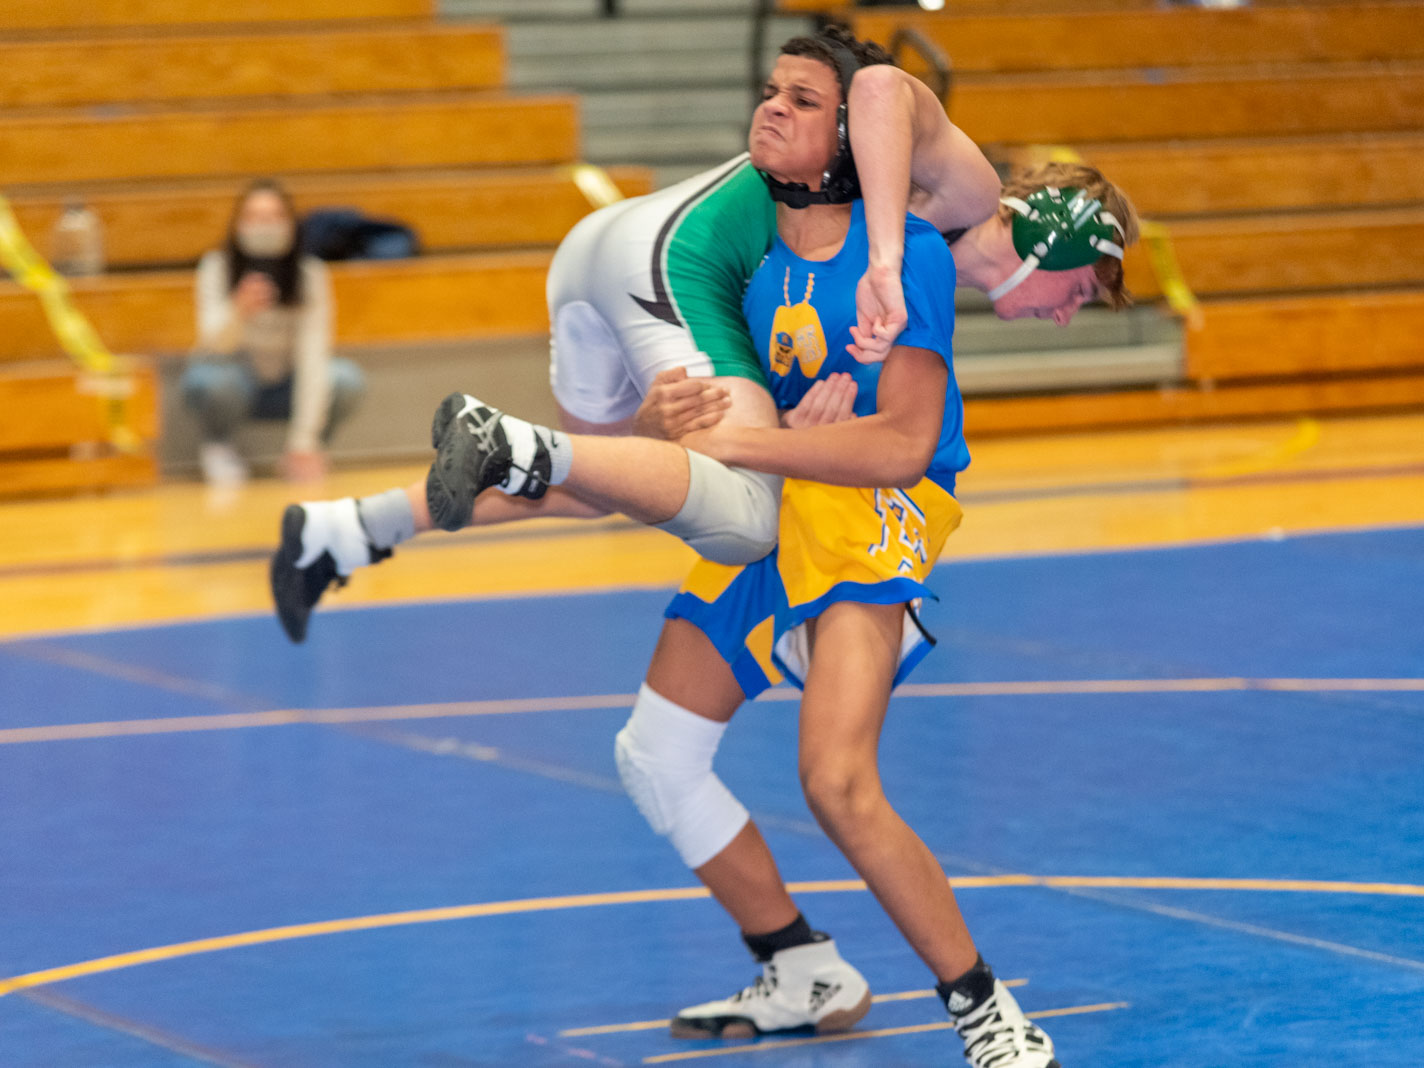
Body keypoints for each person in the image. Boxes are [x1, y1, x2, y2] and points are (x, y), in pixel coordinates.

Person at [416, 36, 1134, 1068]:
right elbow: (871, 107)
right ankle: (801, 967)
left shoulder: (921, 242)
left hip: (858, 511)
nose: (1068, 316)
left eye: (797, 100)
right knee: (654, 754)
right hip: (787, 488)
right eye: (1079, 291)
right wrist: (714, 422)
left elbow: (901, 446)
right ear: (1052, 249)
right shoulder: (786, 241)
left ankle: (986, 1012)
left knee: (835, 781)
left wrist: (747, 438)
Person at [268, 26, 1001, 641]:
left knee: (602, 480)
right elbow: (894, 107)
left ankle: (352, 527)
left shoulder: (853, 218)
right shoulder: (904, 179)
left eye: (800, 99)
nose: (773, 108)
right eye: (773, 93)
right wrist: (893, 262)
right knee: (749, 521)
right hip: (662, 265)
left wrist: (672, 437)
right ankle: (511, 441)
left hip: (596, 252)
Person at [182, 179, 364, 487]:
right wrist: (238, 311)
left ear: (291, 225)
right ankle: (219, 446)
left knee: (345, 379)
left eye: (274, 217)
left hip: (285, 387)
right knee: (209, 381)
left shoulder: (309, 274)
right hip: (238, 385)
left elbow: (314, 357)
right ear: (237, 226)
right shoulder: (217, 267)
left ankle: (309, 453)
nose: (265, 226)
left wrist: (303, 441)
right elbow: (211, 348)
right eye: (254, 217)